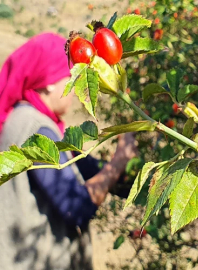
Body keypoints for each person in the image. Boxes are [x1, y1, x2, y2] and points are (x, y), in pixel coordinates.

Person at [0, 33, 137, 270]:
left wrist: (134, 181)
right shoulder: (35, 128)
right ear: (49, 81)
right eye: (71, 77)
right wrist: (119, 160)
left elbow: (83, 166)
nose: (75, 88)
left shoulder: (29, 119)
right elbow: (76, 207)